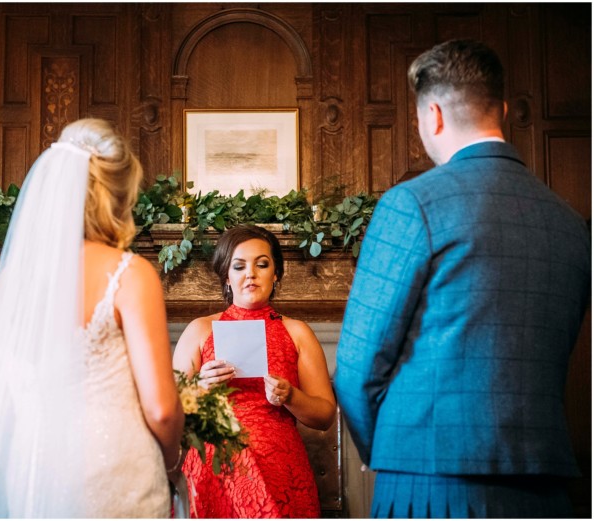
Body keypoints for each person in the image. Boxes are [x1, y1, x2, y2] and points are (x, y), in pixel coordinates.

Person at [334, 39, 591, 518]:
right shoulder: (571, 223)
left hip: (430, 485)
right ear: (504, 109)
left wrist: (391, 450)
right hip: (545, 487)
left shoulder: (412, 205)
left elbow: (355, 367)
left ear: (432, 115)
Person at [0, 118, 184, 517]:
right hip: (113, 471)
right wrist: (173, 463)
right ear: (118, 198)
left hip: (30, 470)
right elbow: (161, 408)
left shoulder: (7, 286)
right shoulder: (128, 273)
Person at [173, 224, 337, 518]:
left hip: (279, 469)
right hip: (212, 471)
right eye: (239, 266)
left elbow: (325, 416)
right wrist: (199, 387)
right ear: (227, 276)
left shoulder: (296, 332)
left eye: (262, 264)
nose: (251, 273)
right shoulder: (200, 329)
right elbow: (166, 412)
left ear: (275, 274)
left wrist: (290, 396)